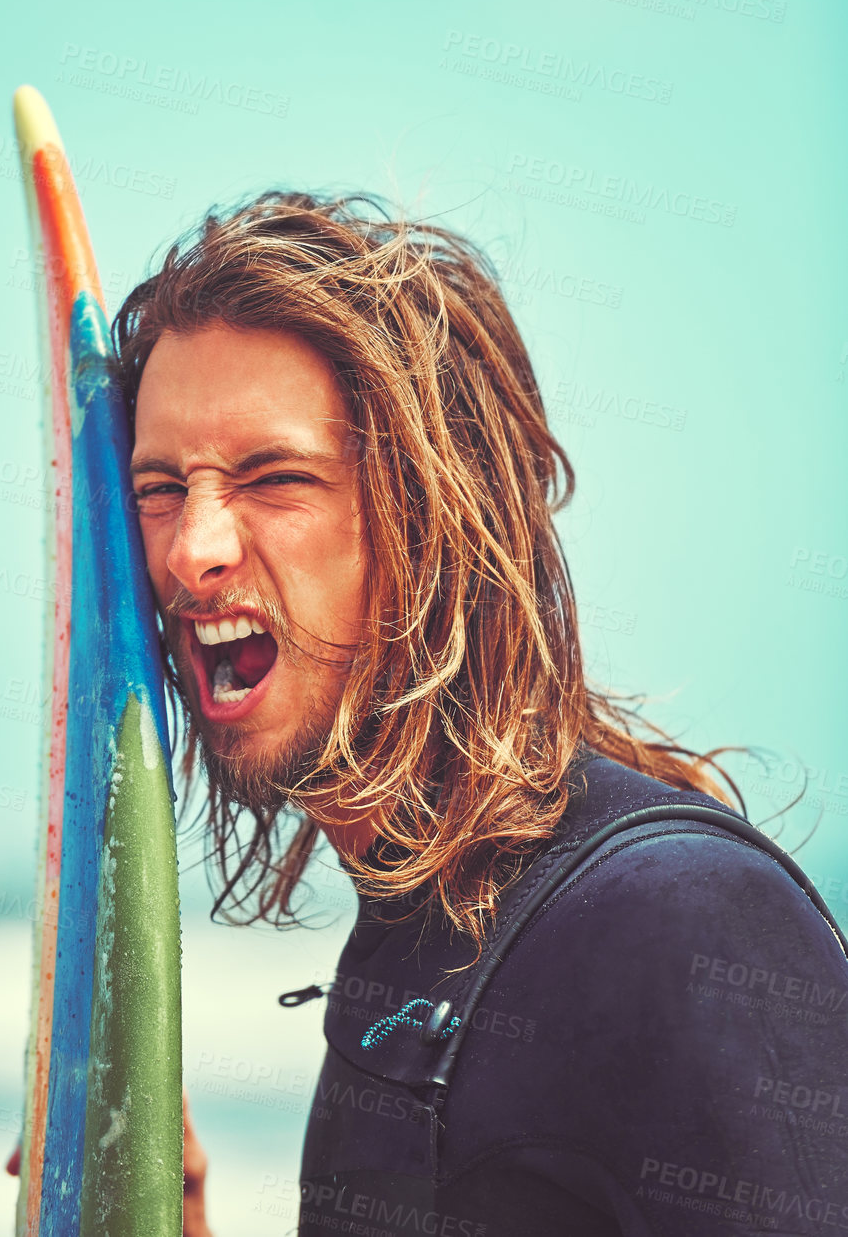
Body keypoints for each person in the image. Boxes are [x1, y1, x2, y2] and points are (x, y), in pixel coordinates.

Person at [115, 193, 848, 1237]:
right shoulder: (417, 935)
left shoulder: (678, 920)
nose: (193, 549)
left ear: (436, 520)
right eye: (158, 488)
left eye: (273, 477)